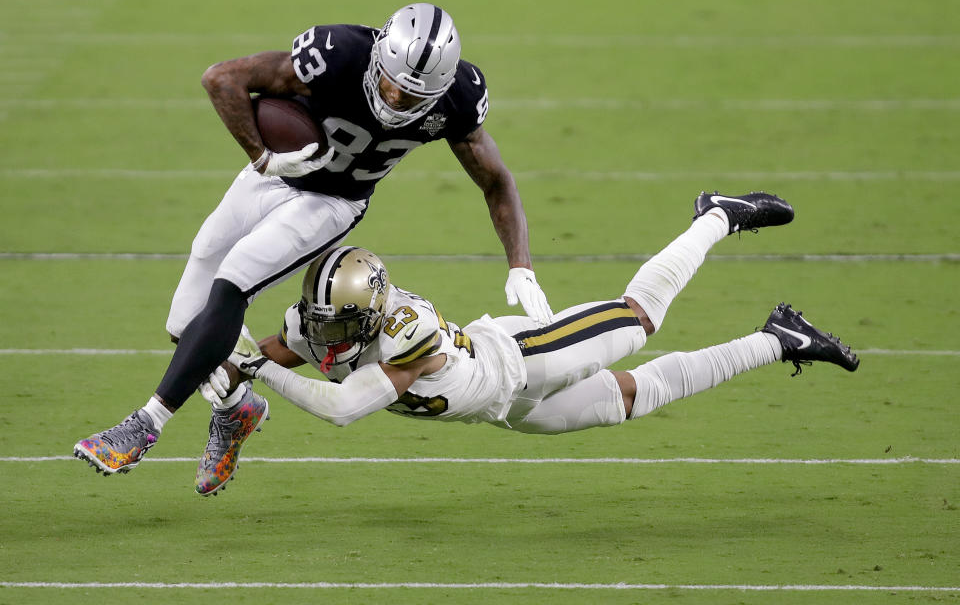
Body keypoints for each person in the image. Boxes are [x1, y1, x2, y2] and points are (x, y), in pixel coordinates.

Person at [73, 3, 552, 477]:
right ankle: (239, 407)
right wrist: (261, 157)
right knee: (185, 324)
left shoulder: (457, 100)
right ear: (380, 55)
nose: (394, 98)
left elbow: (496, 180)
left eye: (411, 96)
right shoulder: (338, 53)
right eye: (390, 81)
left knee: (232, 285)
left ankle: (144, 426)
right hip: (272, 174)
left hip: (331, 203)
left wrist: (521, 264)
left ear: (439, 91)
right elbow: (221, 79)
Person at [186, 191, 857, 495]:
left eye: (336, 323)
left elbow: (340, 408)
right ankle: (780, 339)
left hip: (527, 355)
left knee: (640, 317)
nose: (320, 334)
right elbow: (248, 357)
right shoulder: (317, 321)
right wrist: (224, 369)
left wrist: (255, 371)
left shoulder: (403, 329)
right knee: (636, 397)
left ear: (370, 315)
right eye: (318, 319)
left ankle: (716, 217)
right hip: (506, 408)